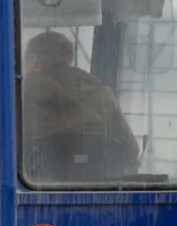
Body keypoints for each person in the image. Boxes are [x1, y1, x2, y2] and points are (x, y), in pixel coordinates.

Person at [21, 30, 139, 183]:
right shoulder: (102, 96)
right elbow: (131, 150)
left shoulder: (16, 97)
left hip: (32, 196)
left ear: (33, 60)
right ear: (69, 57)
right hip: (98, 195)